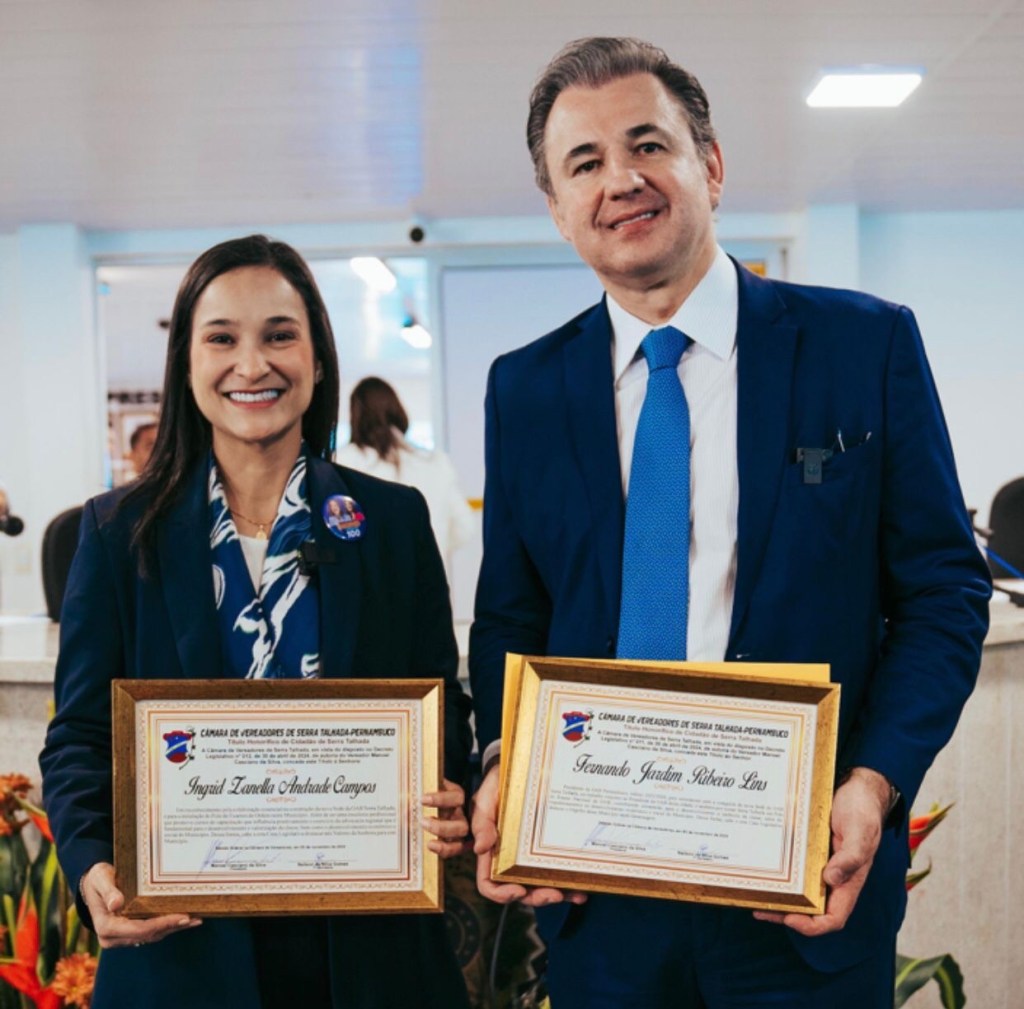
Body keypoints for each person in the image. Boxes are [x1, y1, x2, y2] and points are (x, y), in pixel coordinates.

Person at [468, 37, 991, 1008]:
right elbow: (510, 616)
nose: (619, 180)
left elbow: (942, 593)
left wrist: (873, 783)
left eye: (646, 145)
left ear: (708, 163)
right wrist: (504, 759)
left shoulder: (860, 344)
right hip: (600, 898)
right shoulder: (524, 390)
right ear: (556, 206)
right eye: (583, 163)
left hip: (799, 893)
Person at [40, 235, 473, 1009]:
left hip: (369, 955)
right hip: (185, 950)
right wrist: (91, 862)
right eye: (222, 338)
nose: (252, 365)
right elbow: (78, 734)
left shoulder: (391, 521)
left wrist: (448, 791)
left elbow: (443, 710)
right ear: (187, 362)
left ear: (316, 353)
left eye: (279, 334)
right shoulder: (117, 532)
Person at [337, 377, 474, 573]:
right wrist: (434, 547)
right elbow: (464, 527)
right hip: (427, 584)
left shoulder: (343, 462)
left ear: (356, 415)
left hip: (370, 588)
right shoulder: (435, 462)